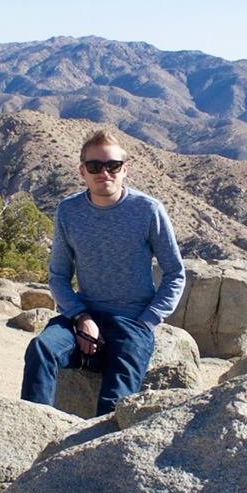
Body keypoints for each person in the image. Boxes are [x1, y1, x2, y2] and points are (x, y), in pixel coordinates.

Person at [21, 128, 186, 417]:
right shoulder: (69, 211)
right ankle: (33, 427)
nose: (104, 173)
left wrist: (147, 322)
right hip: (84, 315)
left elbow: (174, 273)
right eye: (95, 166)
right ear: (82, 171)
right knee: (41, 350)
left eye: (113, 166)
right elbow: (58, 276)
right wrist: (81, 317)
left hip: (132, 321)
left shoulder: (148, 210)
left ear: (125, 170)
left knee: (114, 402)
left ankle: (97, 455)